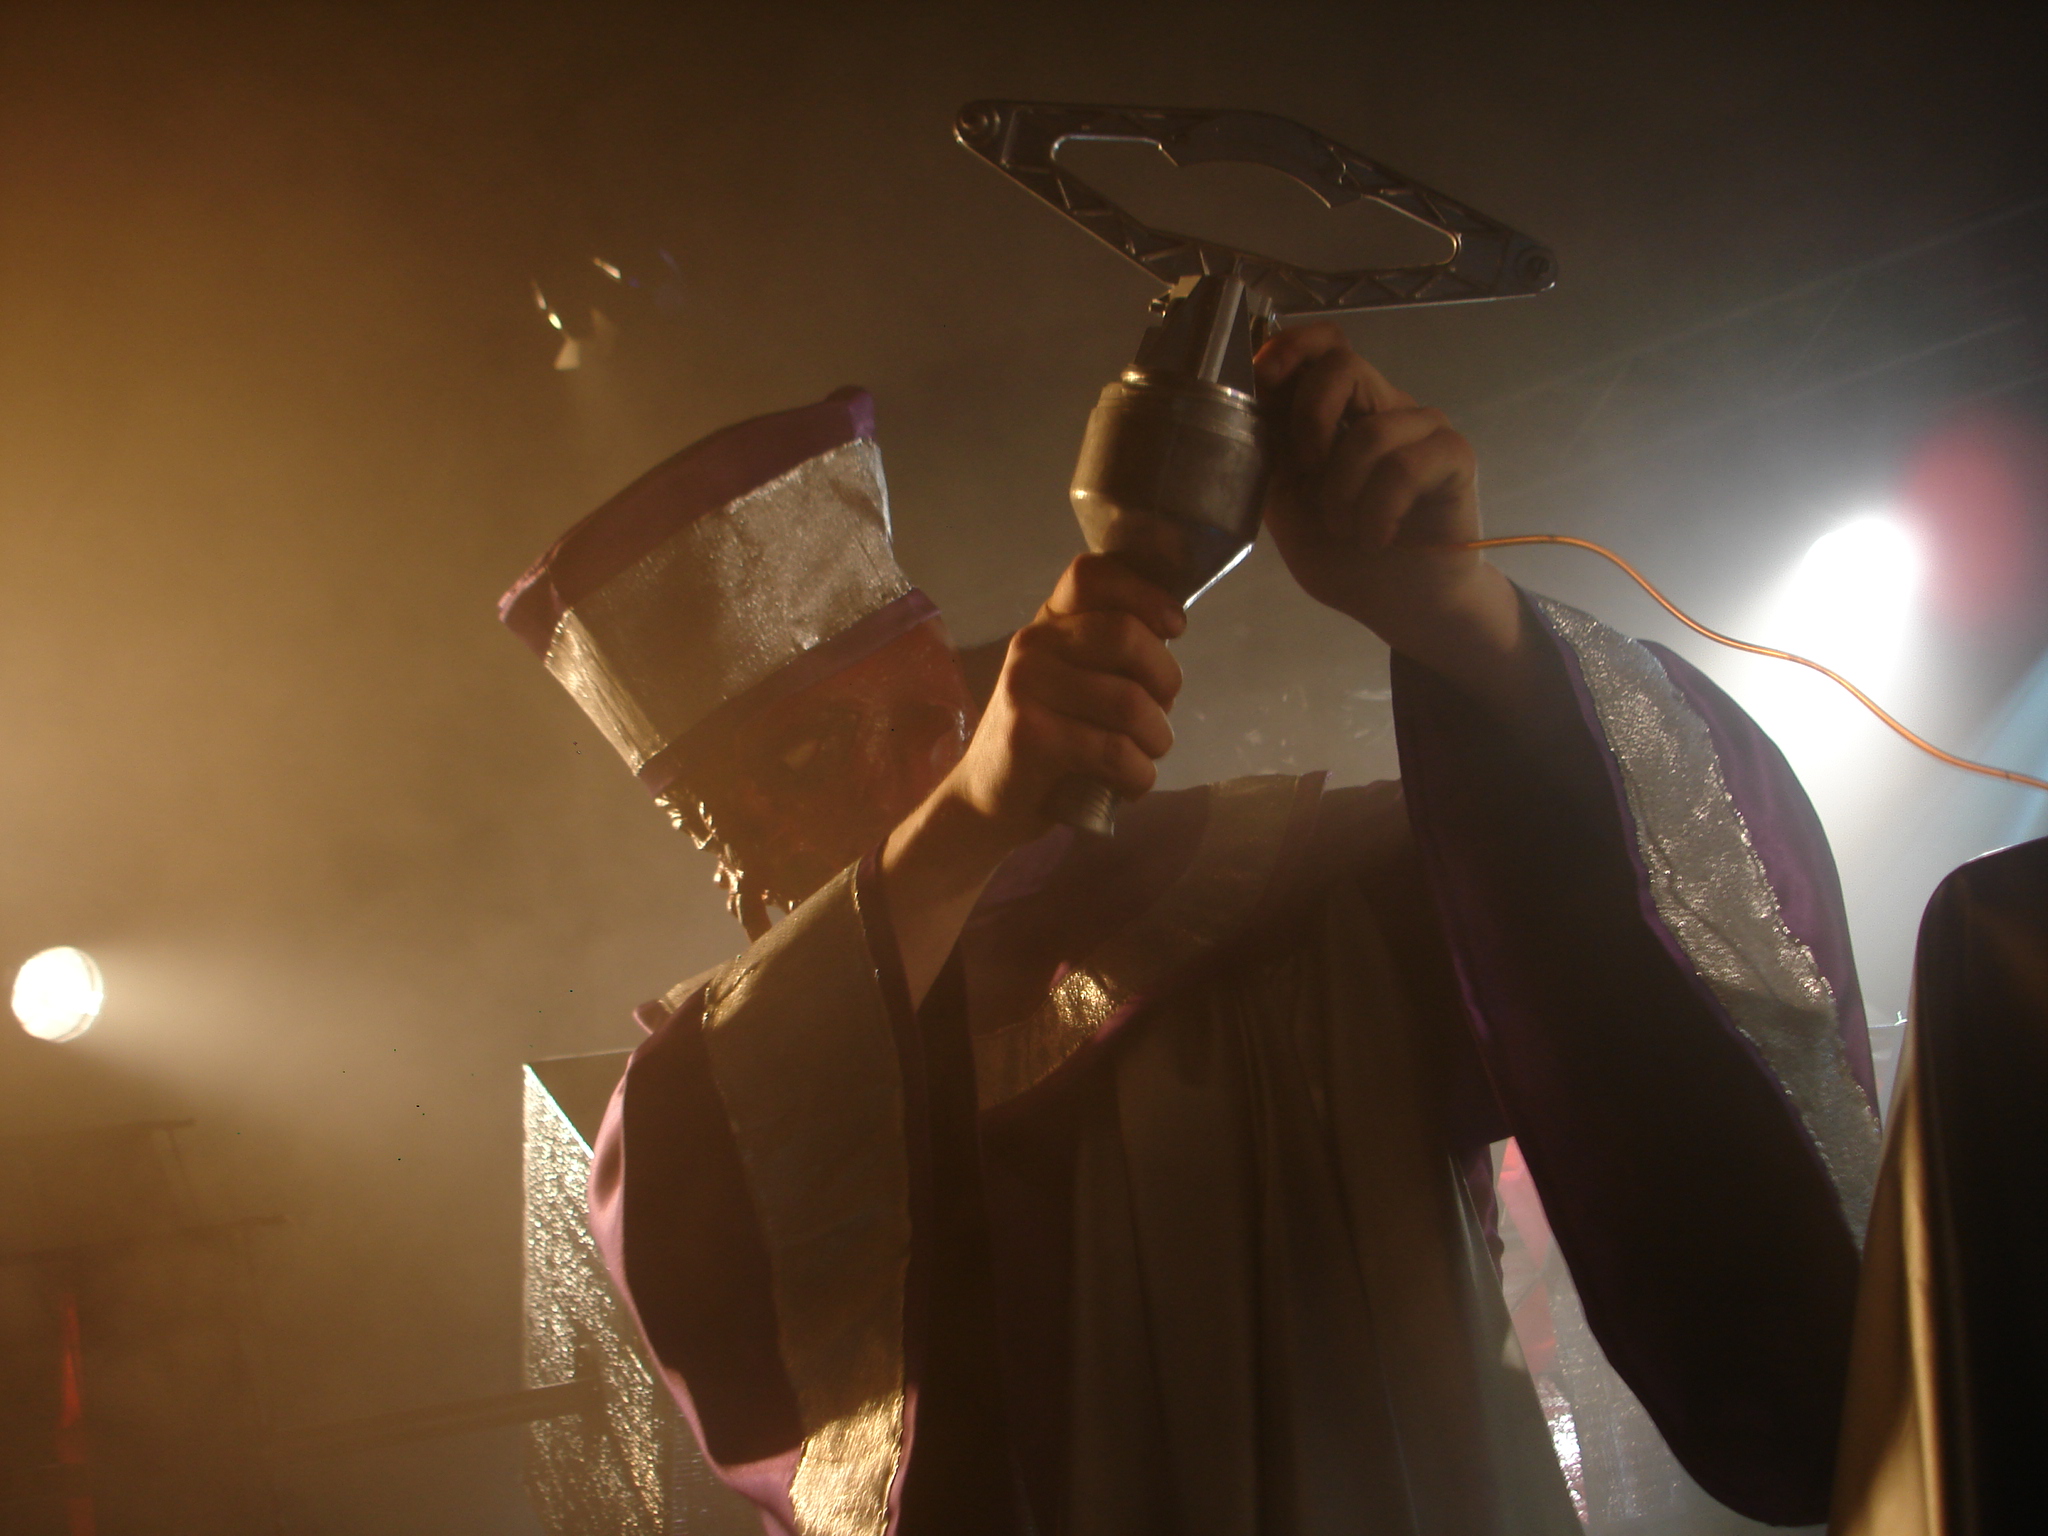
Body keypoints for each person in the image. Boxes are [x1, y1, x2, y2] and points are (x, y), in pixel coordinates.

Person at [500, 326, 1883, 1536]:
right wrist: (965, 824)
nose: (903, 770)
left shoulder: (1281, 909)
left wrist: (1457, 620)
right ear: (722, 843)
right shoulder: (718, 1119)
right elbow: (721, 1199)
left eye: (931, 718)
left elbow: (1663, 905)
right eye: (804, 759)